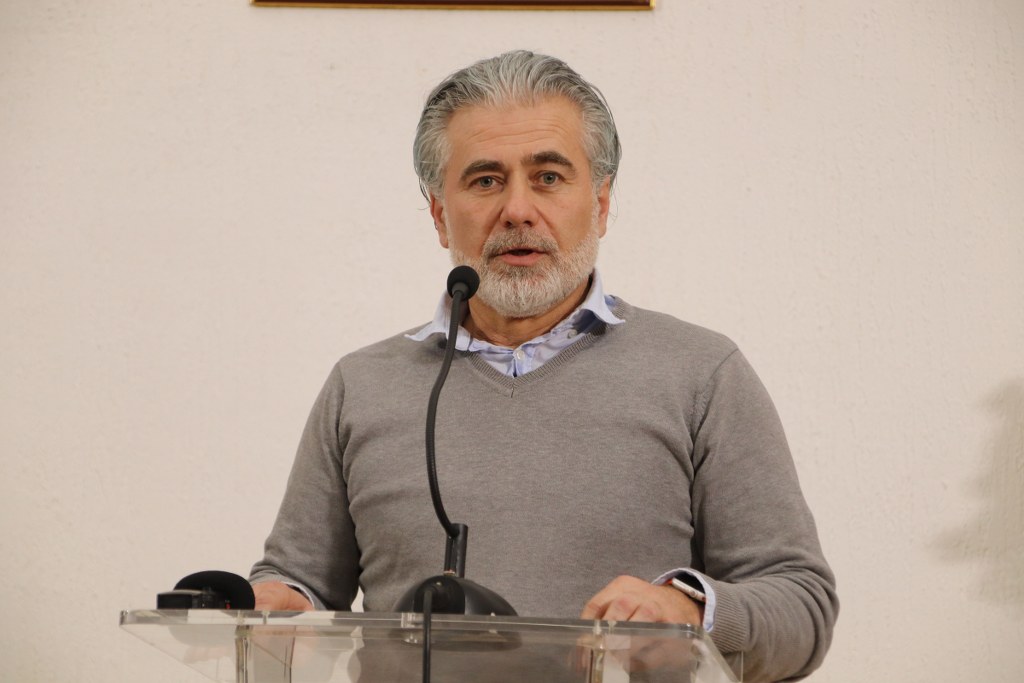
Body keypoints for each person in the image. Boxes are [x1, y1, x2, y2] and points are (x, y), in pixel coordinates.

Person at [250, 50, 838, 682]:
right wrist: (265, 604)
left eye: (549, 177)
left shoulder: (702, 374)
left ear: (602, 203)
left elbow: (801, 606)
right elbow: (297, 583)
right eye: (485, 181)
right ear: (440, 214)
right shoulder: (360, 385)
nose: (517, 210)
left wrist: (691, 611)